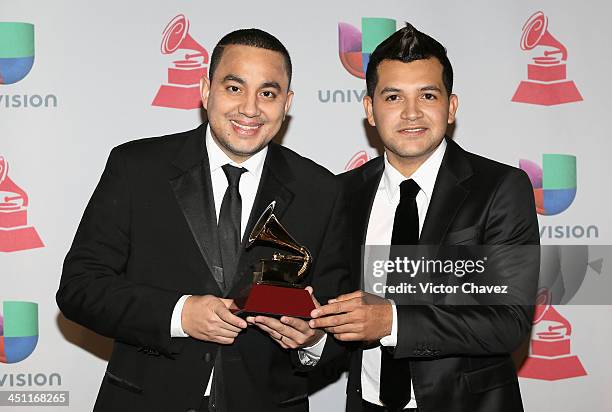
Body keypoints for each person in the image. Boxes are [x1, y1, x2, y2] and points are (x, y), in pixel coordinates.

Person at [57, 28, 349, 412]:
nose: (250, 108)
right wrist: (179, 314)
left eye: (268, 92)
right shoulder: (137, 169)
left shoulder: (322, 191)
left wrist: (314, 341)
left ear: (287, 102)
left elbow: (339, 320)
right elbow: (80, 288)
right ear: (205, 90)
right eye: (234, 88)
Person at [309, 23, 539, 412]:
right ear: (370, 109)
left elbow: (509, 321)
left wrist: (392, 322)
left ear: (450, 107)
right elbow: (342, 307)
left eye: (427, 95)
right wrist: (310, 338)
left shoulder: (501, 188)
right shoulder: (342, 193)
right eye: (393, 96)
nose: (411, 113)